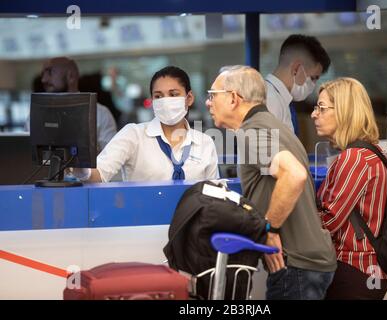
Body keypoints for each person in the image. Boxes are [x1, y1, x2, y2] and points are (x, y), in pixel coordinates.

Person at [206, 65, 336, 300]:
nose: (208, 103)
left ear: (234, 98)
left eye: (213, 95)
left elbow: (294, 174)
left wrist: (270, 228)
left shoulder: (252, 132)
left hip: (296, 266)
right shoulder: (273, 127)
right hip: (308, 263)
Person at [312, 77, 387, 299]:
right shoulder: (369, 151)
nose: (314, 114)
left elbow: (329, 220)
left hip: (354, 269)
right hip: (366, 271)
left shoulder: (354, 158)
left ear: (345, 111)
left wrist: (294, 221)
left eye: (322, 108)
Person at [73, 66, 219, 183]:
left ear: (189, 98)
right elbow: (100, 173)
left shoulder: (204, 143)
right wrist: (80, 168)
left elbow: (214, 193)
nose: (165, 101)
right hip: (143, 219)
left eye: (173, 94)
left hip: (192, 220)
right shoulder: (133, 134)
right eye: (158, 96)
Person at [25, 57, 117, 153]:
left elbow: (111, 158)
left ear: (71, 76)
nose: (43, 79)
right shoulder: (36, 115)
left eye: (50, 72)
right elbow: (27, 155)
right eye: (42, 74)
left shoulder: (100, 114)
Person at [266, 34, 331, 133]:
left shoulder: (282, 99)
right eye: (313, 78)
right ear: (296, 69)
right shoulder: (269, 100)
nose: (313, 85)